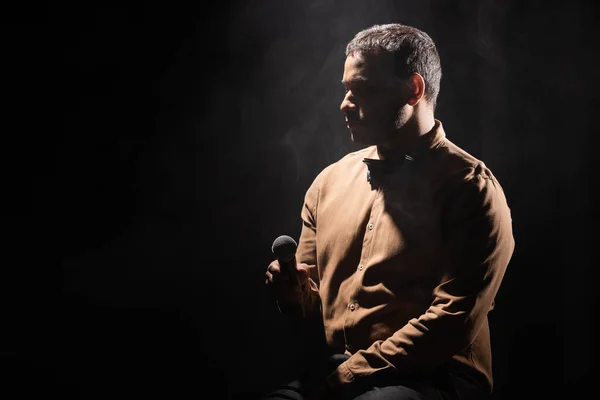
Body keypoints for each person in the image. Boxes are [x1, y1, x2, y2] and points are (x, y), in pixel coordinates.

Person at [263, 23, 515, 400]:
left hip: (437, 378)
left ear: (414, 89)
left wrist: (346, 376)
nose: (345, 104)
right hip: (340, 372)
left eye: (362, 90)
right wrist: (294, 296)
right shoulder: (327, 184)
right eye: (346, 90)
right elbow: (313, 312)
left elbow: (453, 320)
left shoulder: (470, 188)